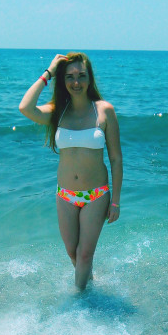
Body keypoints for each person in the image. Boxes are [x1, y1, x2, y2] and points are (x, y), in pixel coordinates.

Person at [19, 52, 123, 291]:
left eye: (81, 75)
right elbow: (25, 107)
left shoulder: (104, 110)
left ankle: (80, 301)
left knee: (85, 255)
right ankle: (90, 283)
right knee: (72, 252)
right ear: (63, 80)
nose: (76, 82)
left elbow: (116, 159)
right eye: (70, 76)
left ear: (90, 78)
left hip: (96, 195)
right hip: (65, 194)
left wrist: (115, 201)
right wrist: (49, 72)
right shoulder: (59, 111)